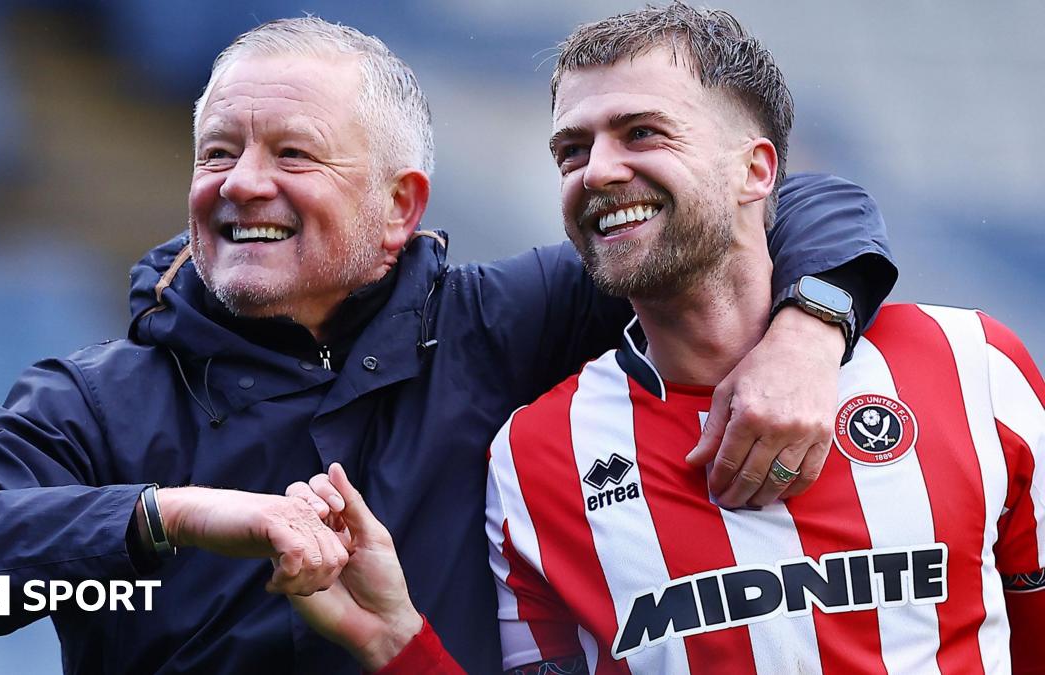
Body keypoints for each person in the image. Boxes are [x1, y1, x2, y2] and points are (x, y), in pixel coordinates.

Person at [0, 16, 896, 675]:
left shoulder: (504, 322)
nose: (241, 183)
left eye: (291, 153)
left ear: (400, 208)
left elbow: (775, 201)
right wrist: (166, 520)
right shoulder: (94, 403)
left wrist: (812, 323)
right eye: (219, 152)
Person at [285, 5, 1045, 673]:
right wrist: (395, 642)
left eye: (641, 133)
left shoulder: (976, 368)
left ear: (756, 170)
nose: (598, 172)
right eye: (571, 151)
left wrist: (810, 329)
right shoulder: (534, 457)